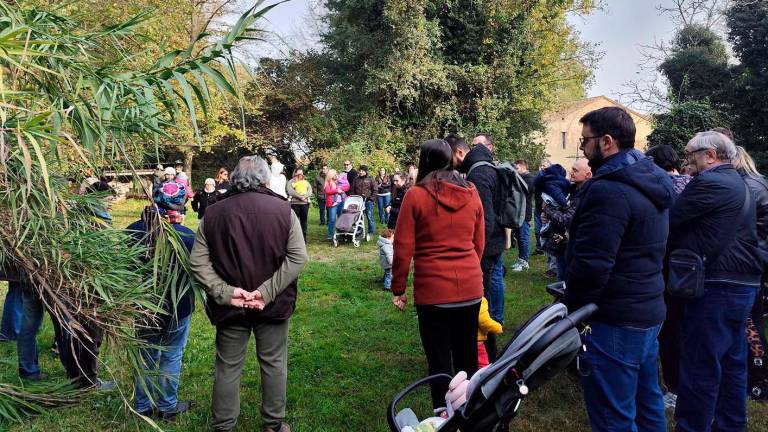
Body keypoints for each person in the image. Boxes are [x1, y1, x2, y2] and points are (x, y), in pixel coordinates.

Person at [565, 106, 674, 432]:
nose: (583, 149)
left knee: (614, 414)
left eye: (585, 142)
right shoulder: (649, 177)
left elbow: (592, 265)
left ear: (607, 142)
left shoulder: (608, 188)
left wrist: (573, 311)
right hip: (647, 310)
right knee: (646, 401)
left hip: (616, 317)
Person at [190, 155, 309, 432]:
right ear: (266, 179)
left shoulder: (214, 212)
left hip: (232, 305)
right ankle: (273, 424)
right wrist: (265, 292)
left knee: (228, 367)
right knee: (273, 363)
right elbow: (298, 257)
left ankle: (223, 427)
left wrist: (226, 293)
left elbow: (197, 261)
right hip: (272, 303)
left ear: (233, 179)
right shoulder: (283, 211)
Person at [671, 131, 763, 432]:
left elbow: (670, 218)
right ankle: (731, 425)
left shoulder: (710, 182)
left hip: (717, 285)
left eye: (691, 155)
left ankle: (693, 427)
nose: (688, 161)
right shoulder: (740, 182)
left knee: (701, 365)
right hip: (742, 283)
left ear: (710, 155)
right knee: (732, 362)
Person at [391, 139, 485, 409]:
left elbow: (403, 246)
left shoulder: (415, 195)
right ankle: (470, 413)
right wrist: (469, 270)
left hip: (433, 293)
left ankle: (444, 415)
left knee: (439, 360)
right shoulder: (472, 191)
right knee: (467, 354)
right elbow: (479, 242)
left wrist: (398, 288)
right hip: (469, 287)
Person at [127, 206, 195, 420]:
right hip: (178, 306)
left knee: (145, 356)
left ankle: (142, 405)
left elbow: (124, 269)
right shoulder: (186, 235)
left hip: (144, 305)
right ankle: (167, 406)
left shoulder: (131, 233)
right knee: (172, 354)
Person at [645, 144, 691, 409]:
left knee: (666, 332)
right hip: (690, 268)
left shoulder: (661, 189)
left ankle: (672, 387)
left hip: (663, 265)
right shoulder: (694, 184)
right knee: (681, 329)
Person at [452, 134, 505, 360]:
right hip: (493, 244)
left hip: (486, 248)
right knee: (486, 294)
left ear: (461, 153)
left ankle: (487, 354)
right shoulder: (486, 166)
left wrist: (475, 253)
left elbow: (485, 219)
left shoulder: (479, 172)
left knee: (479, 301)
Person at [541, 158, 591, 281]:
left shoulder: (585, 195)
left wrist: (548, 209)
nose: (571, 172)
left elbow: (565, 220)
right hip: (562, 244)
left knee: (566, 282)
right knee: (561, 278)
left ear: (588, 175)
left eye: (575, 170)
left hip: (573, 246)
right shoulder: (572, 190)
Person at [511, 160, 535, 272]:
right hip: (518, 212)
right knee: (519, 237)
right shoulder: (522, 178)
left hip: (524, 213)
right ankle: (521, 259)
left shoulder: (529, 179)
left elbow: (523, 190)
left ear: (522, 167)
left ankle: (524, 261)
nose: (515, 170)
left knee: (523, 237)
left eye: (516, 168)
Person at [286, 168, 313, 243]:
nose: (300, 174)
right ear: (295, 173)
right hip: (295, 203)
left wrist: (305, 196)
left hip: (304, 204)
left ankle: (304, 238)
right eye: (299, 173)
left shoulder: (305, 181)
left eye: (301, 173)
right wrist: (300, 197)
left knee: (304, 221)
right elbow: (290, 191)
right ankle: (294, 239)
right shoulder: (291, 181)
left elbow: (310, 190)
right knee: (295, 221)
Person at [351, 165, 377, 238]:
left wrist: (371, 199)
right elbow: (352, 190)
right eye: (360, 171)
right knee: (358, 217)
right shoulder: (356, 179)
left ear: (366, 171)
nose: (361, 172)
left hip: (368, 201)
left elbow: (375, 189)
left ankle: (370, 232)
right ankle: (359, 231)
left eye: (363, 171)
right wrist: (353, 198)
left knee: (369, 216)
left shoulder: (370, 179)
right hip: (358, 201)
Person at [477, 297, 502, 368]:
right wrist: (499, 327)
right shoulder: (479, 300)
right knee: (483, 367)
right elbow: (484, 322)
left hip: (460, 338)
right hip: (478, 343)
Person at [324, 169, 349, 241]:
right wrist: (336, 190)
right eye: (335, 174)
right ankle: (330, 235)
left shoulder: (339, 181)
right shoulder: (328, 182)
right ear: (331, 175)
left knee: (341, 218)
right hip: (333, 203)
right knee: (332, 219)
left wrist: (340, 187)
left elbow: (347, 187)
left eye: (336, 174)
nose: (336, 175)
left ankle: (340, 234)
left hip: (341, 201)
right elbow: (327, 191)